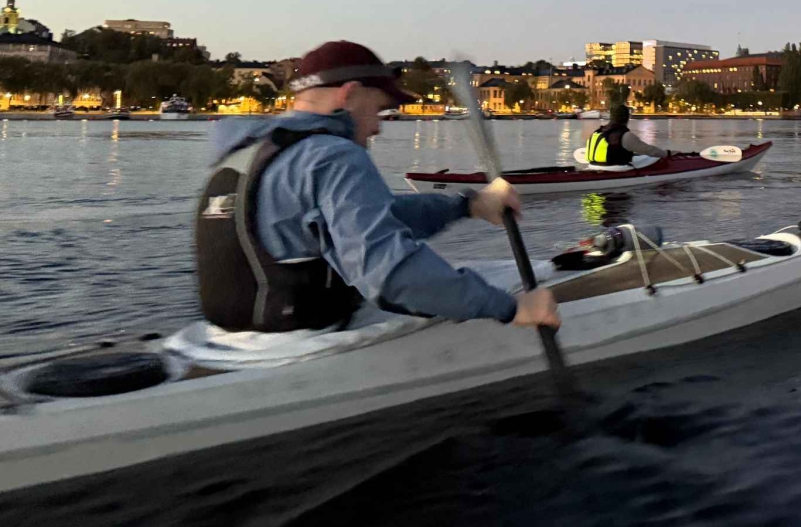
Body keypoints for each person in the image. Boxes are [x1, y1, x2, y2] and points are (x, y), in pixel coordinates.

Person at [195, 40, 559, 334]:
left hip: (235, 332)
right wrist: (513, 309)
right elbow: (393, 276)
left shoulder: (244, 152)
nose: (378, 127)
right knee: (496, 284)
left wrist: (468, 205)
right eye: (379, 109)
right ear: (350, 94)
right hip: (303, 334)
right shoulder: (333, 156)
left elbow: (380, 218)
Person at [584, 104, 683, 166]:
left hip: (593, 166)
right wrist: (668, 153)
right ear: (627, 118)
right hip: (616, 171)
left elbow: (612, 150)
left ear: (611, 118)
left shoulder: (597, 132)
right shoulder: (625, 136)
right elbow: (650, 151)